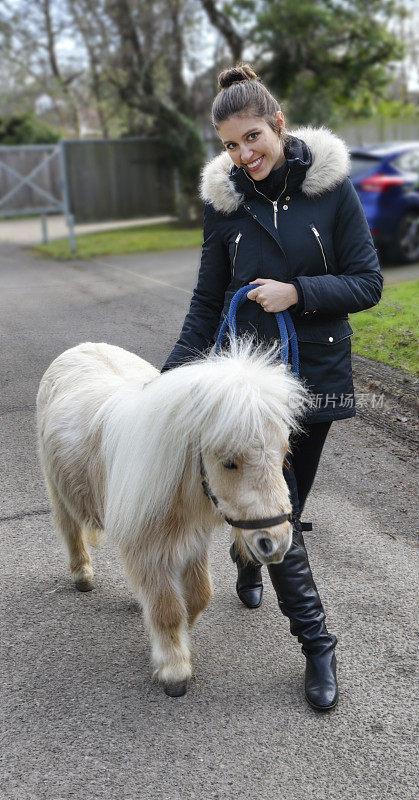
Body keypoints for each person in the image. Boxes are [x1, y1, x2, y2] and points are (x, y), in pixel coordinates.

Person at [162, 64, 383, 711]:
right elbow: (206, 301)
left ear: (278, 124)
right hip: (246, 384)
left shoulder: (331, 191)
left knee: (277, 514)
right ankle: (318, 644)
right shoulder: (225, 201)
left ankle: (248, 559)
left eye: (251, 137)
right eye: (230, 145)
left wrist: (299, 293)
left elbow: (366, 283)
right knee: (274, 509)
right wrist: (168, 377)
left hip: (312, 377)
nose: (243, 155)